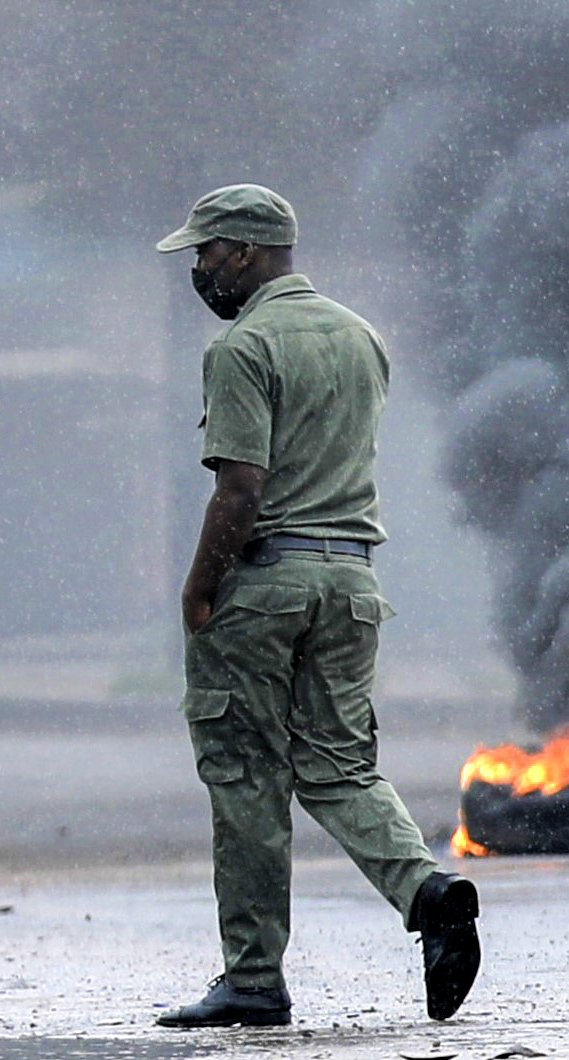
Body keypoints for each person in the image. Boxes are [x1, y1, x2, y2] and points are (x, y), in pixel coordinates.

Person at [152, 183, 481, 1028]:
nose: (198, 268)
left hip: (265, 585)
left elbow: (242, 486)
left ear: (247, 252)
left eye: (206, 252)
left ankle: (254, 979)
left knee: (247, 777)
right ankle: (429, 893)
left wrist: (198, 588)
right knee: (338, 765)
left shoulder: (243, 347)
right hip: (352, 582)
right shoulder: (361, 336)